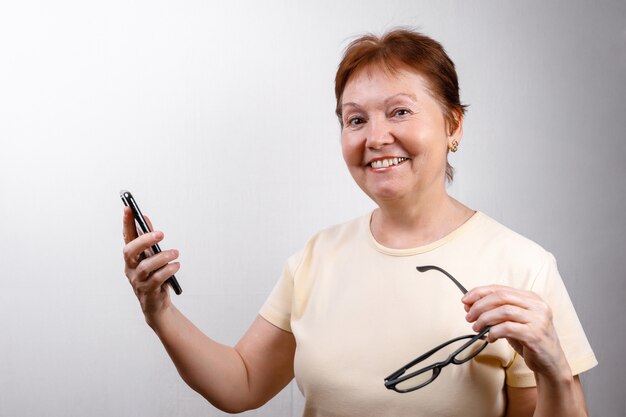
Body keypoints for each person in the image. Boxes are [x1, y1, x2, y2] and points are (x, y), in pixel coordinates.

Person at [121, 29, 597, 416]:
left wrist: (554, 367)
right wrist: (159, 311)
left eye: (400, 111)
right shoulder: (316, 258)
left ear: (454, 125)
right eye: (355, 120)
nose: (376, 137)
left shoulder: (523, 265)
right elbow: (241, 384)